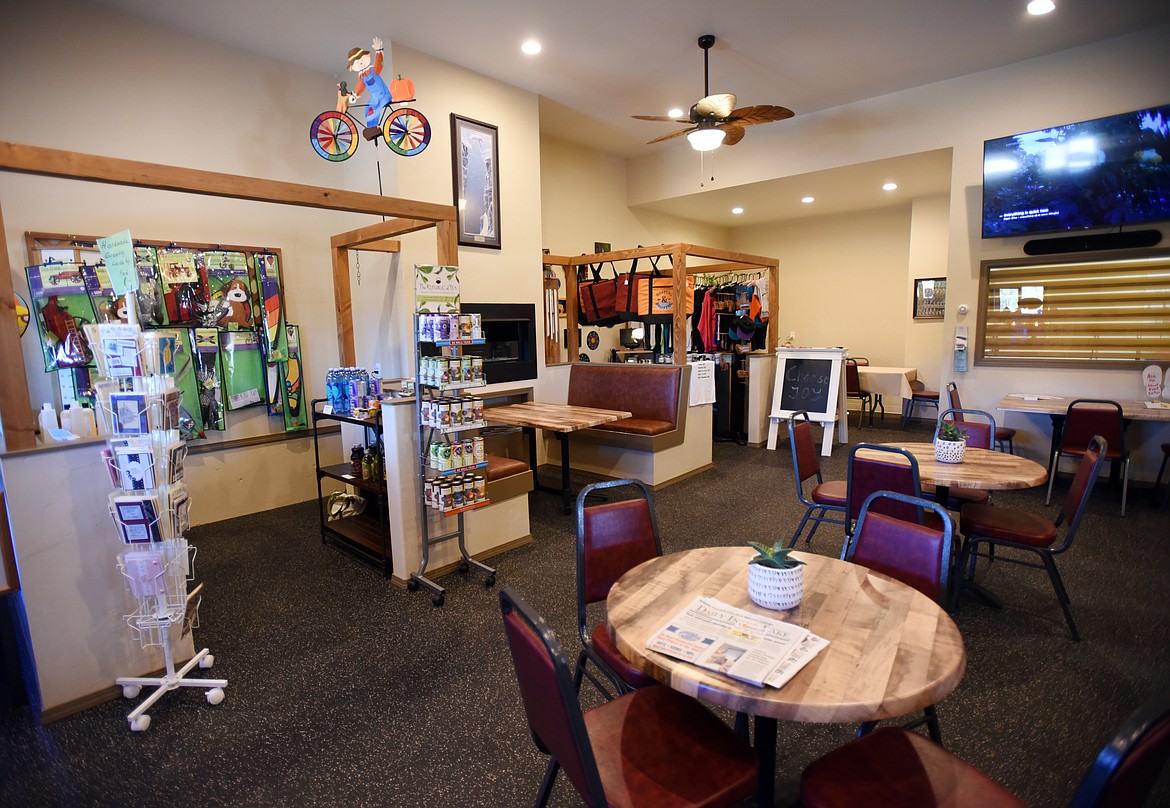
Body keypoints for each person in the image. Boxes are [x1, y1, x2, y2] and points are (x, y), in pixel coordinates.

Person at [346, 37, 390, 141]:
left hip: (382, 95)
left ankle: (374, 129)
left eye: (361, 60)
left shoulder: (372, 70)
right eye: (357, 62)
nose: (360, 63)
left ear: (367, 57)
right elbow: (360, 87)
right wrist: (355, 95)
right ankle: (372, 130)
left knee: (374, 110)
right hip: (375, 97)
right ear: (353, 67)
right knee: (368, 111)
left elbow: (380, 65)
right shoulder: (361, 76)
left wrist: (379, 51)